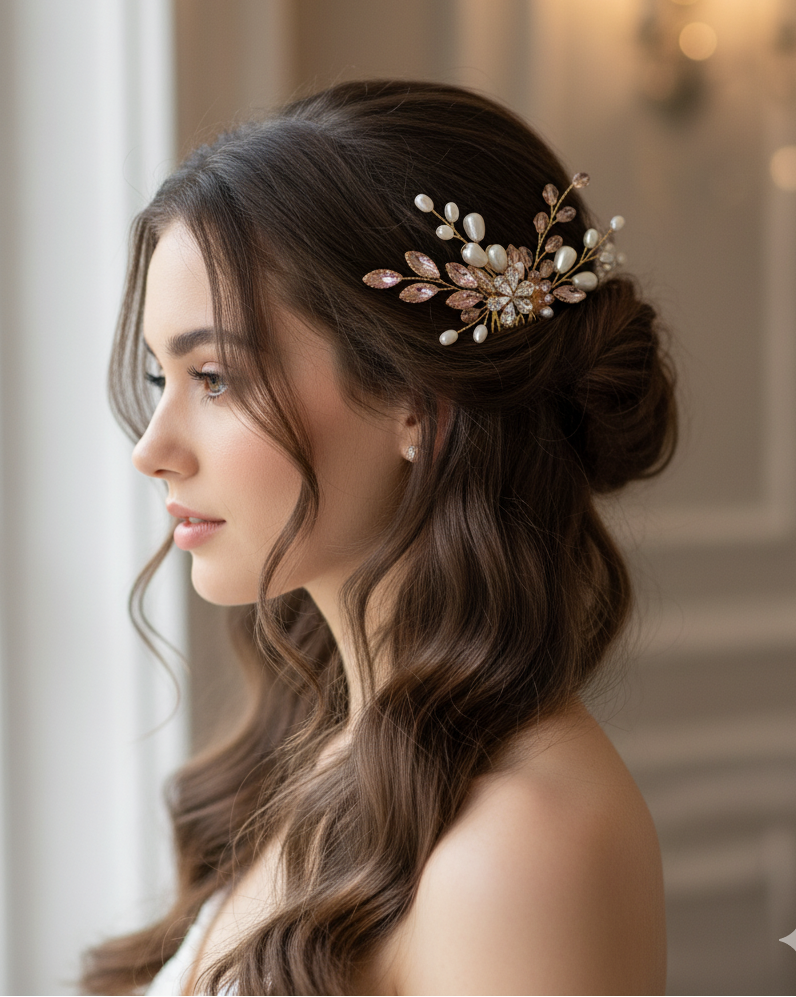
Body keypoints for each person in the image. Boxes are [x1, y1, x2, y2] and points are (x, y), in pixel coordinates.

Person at [83, 79, 676, 996]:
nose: (152, 451)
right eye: (161, 375)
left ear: (415, 397)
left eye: (214, 377)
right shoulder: (329, 742)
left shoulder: (519, 847)